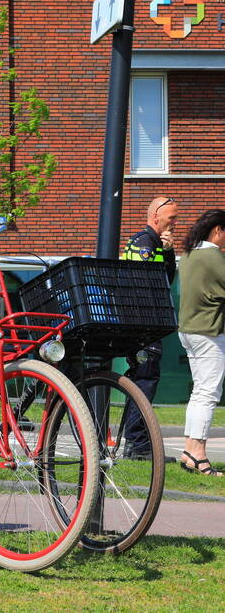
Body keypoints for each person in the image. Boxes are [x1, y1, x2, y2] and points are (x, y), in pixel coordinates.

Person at [120, 196, 179, 459]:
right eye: (171, 218)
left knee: (143, 381)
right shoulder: (145, 242)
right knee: (144, 380)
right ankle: (138, 446)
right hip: (143, 323)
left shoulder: (154, 243)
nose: (175, 223)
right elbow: (148, 282)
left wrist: (168, 252)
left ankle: (136, 443)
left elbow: (166, 278)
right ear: (156, 216)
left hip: (144, 322)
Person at [176, 209, 225, 476]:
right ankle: (199, 454)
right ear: (217, 230)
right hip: (209, 331)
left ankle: (189, 451)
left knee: (199, 392)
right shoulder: (213, 257)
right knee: (208, 394)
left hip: (189, 330)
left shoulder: (188, 254)